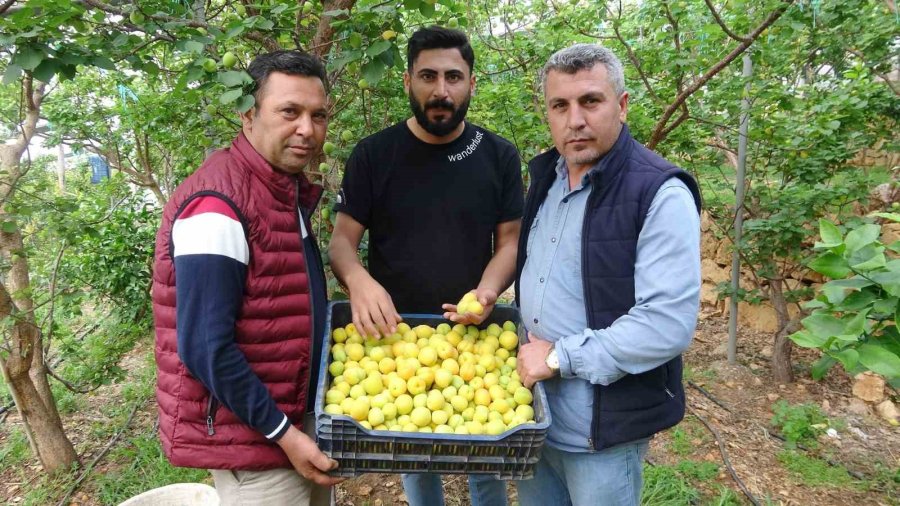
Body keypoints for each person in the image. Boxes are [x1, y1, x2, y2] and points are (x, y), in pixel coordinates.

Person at [328, 26, 522, 506]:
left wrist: (487, 292)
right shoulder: (375, 155)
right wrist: (357, 282)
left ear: (472, 83)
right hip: (392, 338)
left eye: (454, 76)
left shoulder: (497, 156)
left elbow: (511, 242)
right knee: (410, 458)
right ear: (407, 81)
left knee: (487, 460)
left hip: (473, 336)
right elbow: (341, 244)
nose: (441, 90)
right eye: (428, 76)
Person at [152, 50, 343, 506]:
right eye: (289, 112)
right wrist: (285, 434)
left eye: (318, 116)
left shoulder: (278, 188)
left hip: (293, 421)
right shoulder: (218, 206)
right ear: (248, 114)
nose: (307, 129)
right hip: (259, 445)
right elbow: (204, 347)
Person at [514, 43, 702, 506]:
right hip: (532, 417)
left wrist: (558, 358)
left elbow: (666, 325)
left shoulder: (658, 192)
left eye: (590, 101)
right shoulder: (547, 179)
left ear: (621, 105)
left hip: (601, 433)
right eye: (560, 105)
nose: (574, 120)